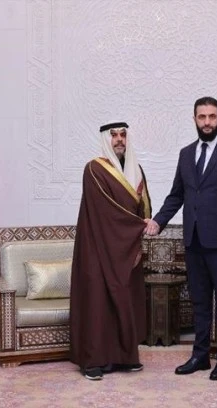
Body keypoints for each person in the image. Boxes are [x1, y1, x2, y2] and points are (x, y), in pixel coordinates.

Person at [144, 97, 217, 381]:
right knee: (200, 303)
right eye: (202, 117)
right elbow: (177, 195)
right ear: (194, 119)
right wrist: (158, 221)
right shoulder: (185, 154)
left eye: (211, 116)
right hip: (193, 242)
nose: (207, 122)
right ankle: (200, 356)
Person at [70, 121, 152, 381]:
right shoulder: (94, 169)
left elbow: (143, 209)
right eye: (114, 135)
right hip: (97, 248)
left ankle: (125, 357)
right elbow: (105, 212)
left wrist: (139, 237)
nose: (119, 140)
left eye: (123, 135)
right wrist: (138, 227)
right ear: (106, 139)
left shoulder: (136, 171)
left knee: (124, 301)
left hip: (127, 251)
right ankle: (93, 361)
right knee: (98, 303)